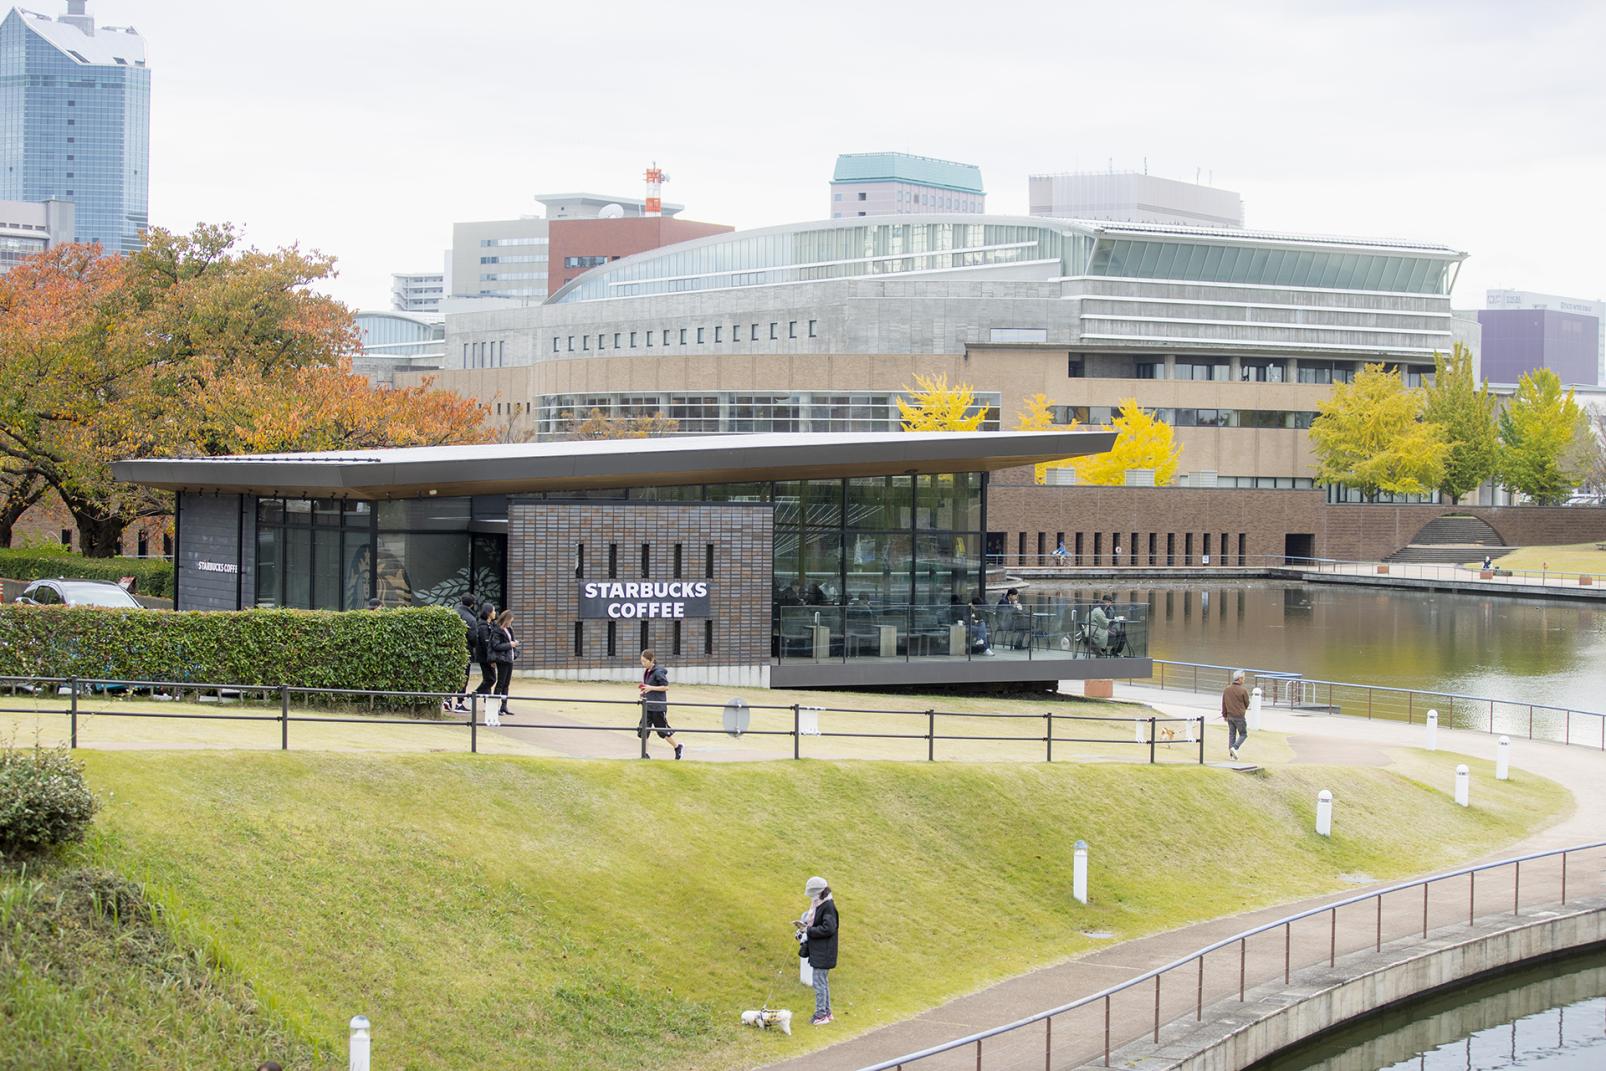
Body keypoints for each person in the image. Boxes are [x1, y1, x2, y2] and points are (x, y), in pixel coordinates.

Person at [795, 875, 839, 1026]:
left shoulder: (828, 906)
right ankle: (827, 1012)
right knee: (823, 982)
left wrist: (809, 930)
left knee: (819, 983)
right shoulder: (819, 905)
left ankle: (821, 1014)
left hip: (824, 951)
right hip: (820, 950)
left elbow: (829, 928)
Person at [638, 649, 682, 759]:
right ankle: (645, 755)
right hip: (647, 706)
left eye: (644, 661)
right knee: (643, 730)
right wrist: (643, 692)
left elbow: (666, 687)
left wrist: (650, 688)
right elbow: (648, 687)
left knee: (662, 732)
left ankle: (677, 747)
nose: (642, 664)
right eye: (641, 661)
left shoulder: (658, 672)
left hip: (658, 707)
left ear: (651, 660)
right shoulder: (647, 671)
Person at [486, 609, 520, 725]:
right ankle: (495, 706)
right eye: (510, 620)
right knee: (500, 683)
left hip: (509, 658)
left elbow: (510, 642)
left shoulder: (509, 629)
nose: (511, 623)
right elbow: (496, 645)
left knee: (506, 683)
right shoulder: (497, 630)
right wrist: (510, 644)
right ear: (506, 619)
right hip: (502, 659)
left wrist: (514, 646)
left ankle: (504, 706)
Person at [448, 593, 480, 713]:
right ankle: (459, 703)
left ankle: (447, 699)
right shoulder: (471, 619)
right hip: (465, 650)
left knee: (451, 674)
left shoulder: (453, 614)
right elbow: (473, 638)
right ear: (472, 605)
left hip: (450, 649)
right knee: (463, 676)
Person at [471, 602, 498, 703]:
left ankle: (487, 699)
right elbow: (486, 644)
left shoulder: (489, 624)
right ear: (489, 613)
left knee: (488, 678)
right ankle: (474, 695)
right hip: (485, 657)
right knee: (491, 679)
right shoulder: (483, 626)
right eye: (493, 611)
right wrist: (491, 659)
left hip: (487, 656)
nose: (495, 613)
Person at [1221, 670, 1251, 760]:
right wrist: (1242, 709)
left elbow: (1224, 703)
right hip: (1239, 716)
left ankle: (1231, 755)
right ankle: (1235, 747)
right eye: (1243, 678)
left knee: (1232, 735)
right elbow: (1247, 703)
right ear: (1240, 679)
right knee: (1243, 734)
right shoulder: (1243, 690)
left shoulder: (1227, 690)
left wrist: (1224, 715)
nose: (1244, 680)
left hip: (1230, 716)